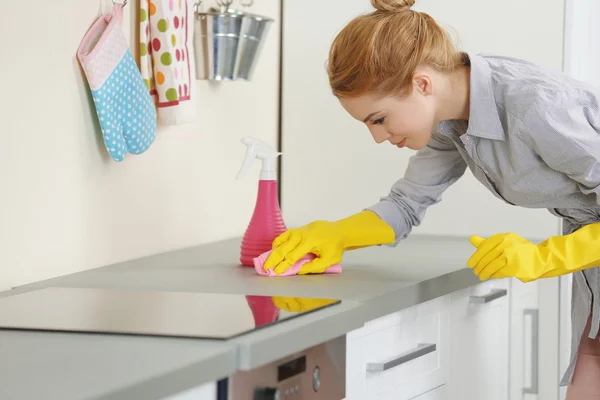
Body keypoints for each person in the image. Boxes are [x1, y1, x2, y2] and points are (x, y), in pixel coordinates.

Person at [262, 0, 600, 397]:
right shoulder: (448, 121)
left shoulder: (535, 105)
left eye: (379, 119)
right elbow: (407, 204)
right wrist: (337, 235)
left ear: (422, 84)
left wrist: (546, 256)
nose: (377, 136)